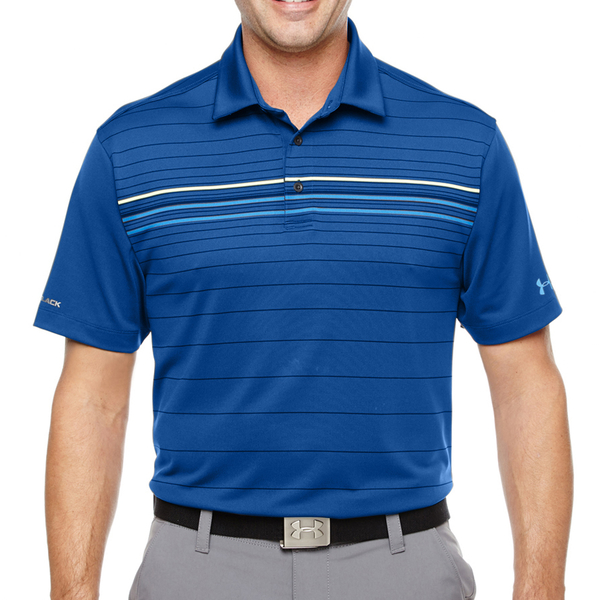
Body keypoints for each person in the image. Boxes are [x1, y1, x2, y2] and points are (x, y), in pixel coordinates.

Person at [33, 1, 573, 599]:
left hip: (405, 568)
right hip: (197, 569)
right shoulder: (130, 149)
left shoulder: (465, 145)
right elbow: (92, 400)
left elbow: (526, 385)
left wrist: (541, 589)